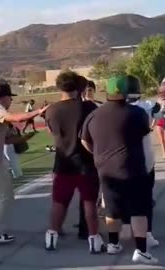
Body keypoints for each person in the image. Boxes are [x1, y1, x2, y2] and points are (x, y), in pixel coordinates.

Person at [80, 75, 158, 264]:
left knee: (112, 210)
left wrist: (98, 155)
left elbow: (84, 139)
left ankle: (113, 244)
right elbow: (145, 132)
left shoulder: (94, 114)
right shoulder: (137, 113)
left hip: (106, 170)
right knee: (139, 210)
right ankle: (141, 250)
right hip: (133, 168)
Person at [0, 81, 47, 244]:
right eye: (10, 97)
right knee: (7, 195)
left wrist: (25, 138)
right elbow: (17, 117)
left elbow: (8, 139)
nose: (11, 101)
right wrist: (39, 111)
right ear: (3, 98)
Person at [44, 71, 104, 253]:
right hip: (86, 162)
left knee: (59, 202)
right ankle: (94, 239)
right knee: (89, 202)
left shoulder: (51, 109)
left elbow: (51, 131)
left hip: (63, 162)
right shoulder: (89, 107)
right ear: (79, 88)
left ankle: (51, 237)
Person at [124, 75, 161, 247]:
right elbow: (159, 110)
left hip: (121, 161)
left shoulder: (115, 108)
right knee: (145, 200)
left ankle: (123, 233)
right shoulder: (147, 106)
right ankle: (147, 234)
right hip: (145, 161)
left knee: (123, 199)